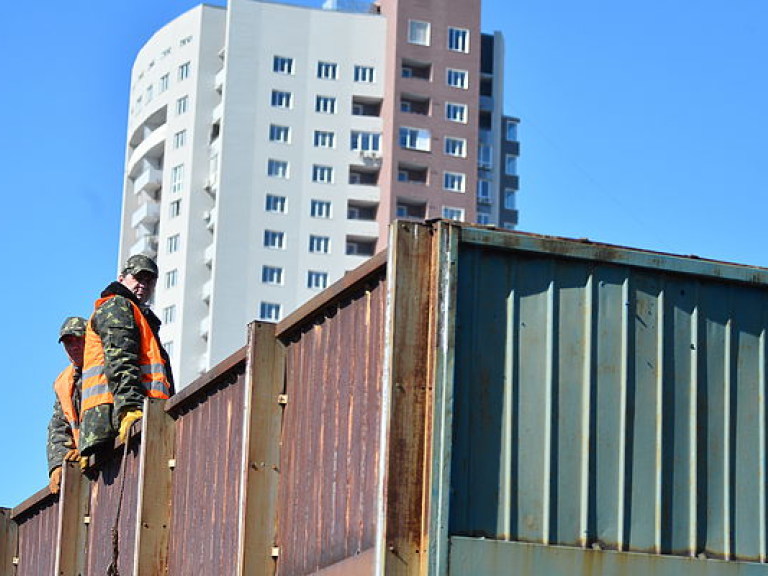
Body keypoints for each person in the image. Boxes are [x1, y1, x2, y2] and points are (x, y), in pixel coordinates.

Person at [79, 254, 174, 458]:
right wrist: (130, 408)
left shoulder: (137, 314)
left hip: (116, 420)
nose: (144, 285)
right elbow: (120, 360)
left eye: (150, 281)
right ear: (122, 278)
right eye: (138, 278)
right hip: (117, 418)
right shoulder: (118, 306)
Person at [47, 316, 87, 494]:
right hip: (83, 463)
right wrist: (58, 464)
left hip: (107, 451)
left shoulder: (105, 368)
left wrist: (89, 446)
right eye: (68, 343)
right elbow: (58, 426)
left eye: (79, 340)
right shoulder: (63, 382)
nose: (74, 347)